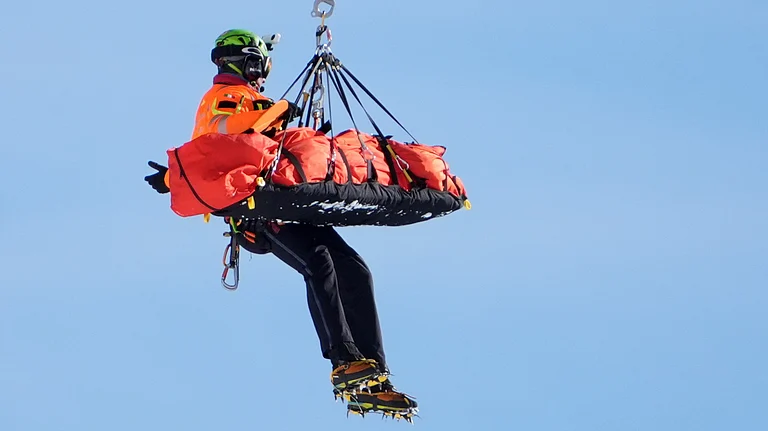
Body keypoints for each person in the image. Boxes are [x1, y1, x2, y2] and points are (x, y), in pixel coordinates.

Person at [144, 29, 418, 420]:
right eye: (258, 65)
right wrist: (276, 112)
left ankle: (373, 374)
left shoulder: (251, 99)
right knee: (318, 262)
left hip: (284, 201)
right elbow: (224, 131)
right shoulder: (228, 95)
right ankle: (344, 361)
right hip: (255, 208)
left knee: (355, 269)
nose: (262, 74)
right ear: (246, 62)